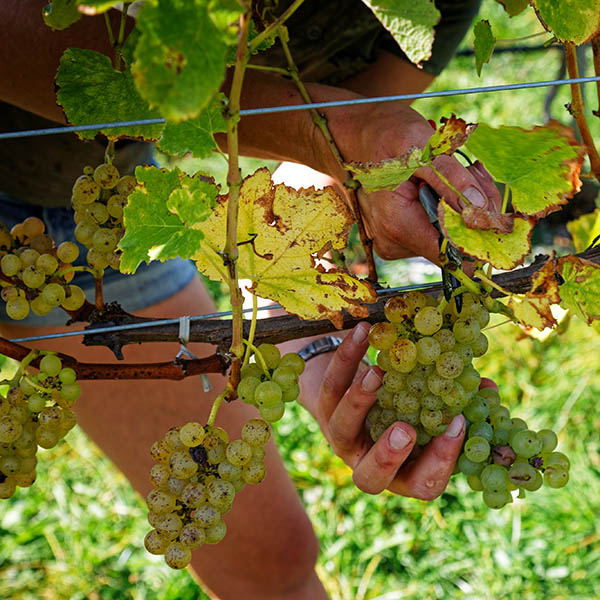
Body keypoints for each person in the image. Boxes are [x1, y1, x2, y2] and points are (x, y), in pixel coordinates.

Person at [0, 2, 501, 598]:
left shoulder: (428, 8)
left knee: (272, 562)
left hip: (73, 228)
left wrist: (308, 332)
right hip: (83, 219)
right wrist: (341, 131)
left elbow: (327, 163)